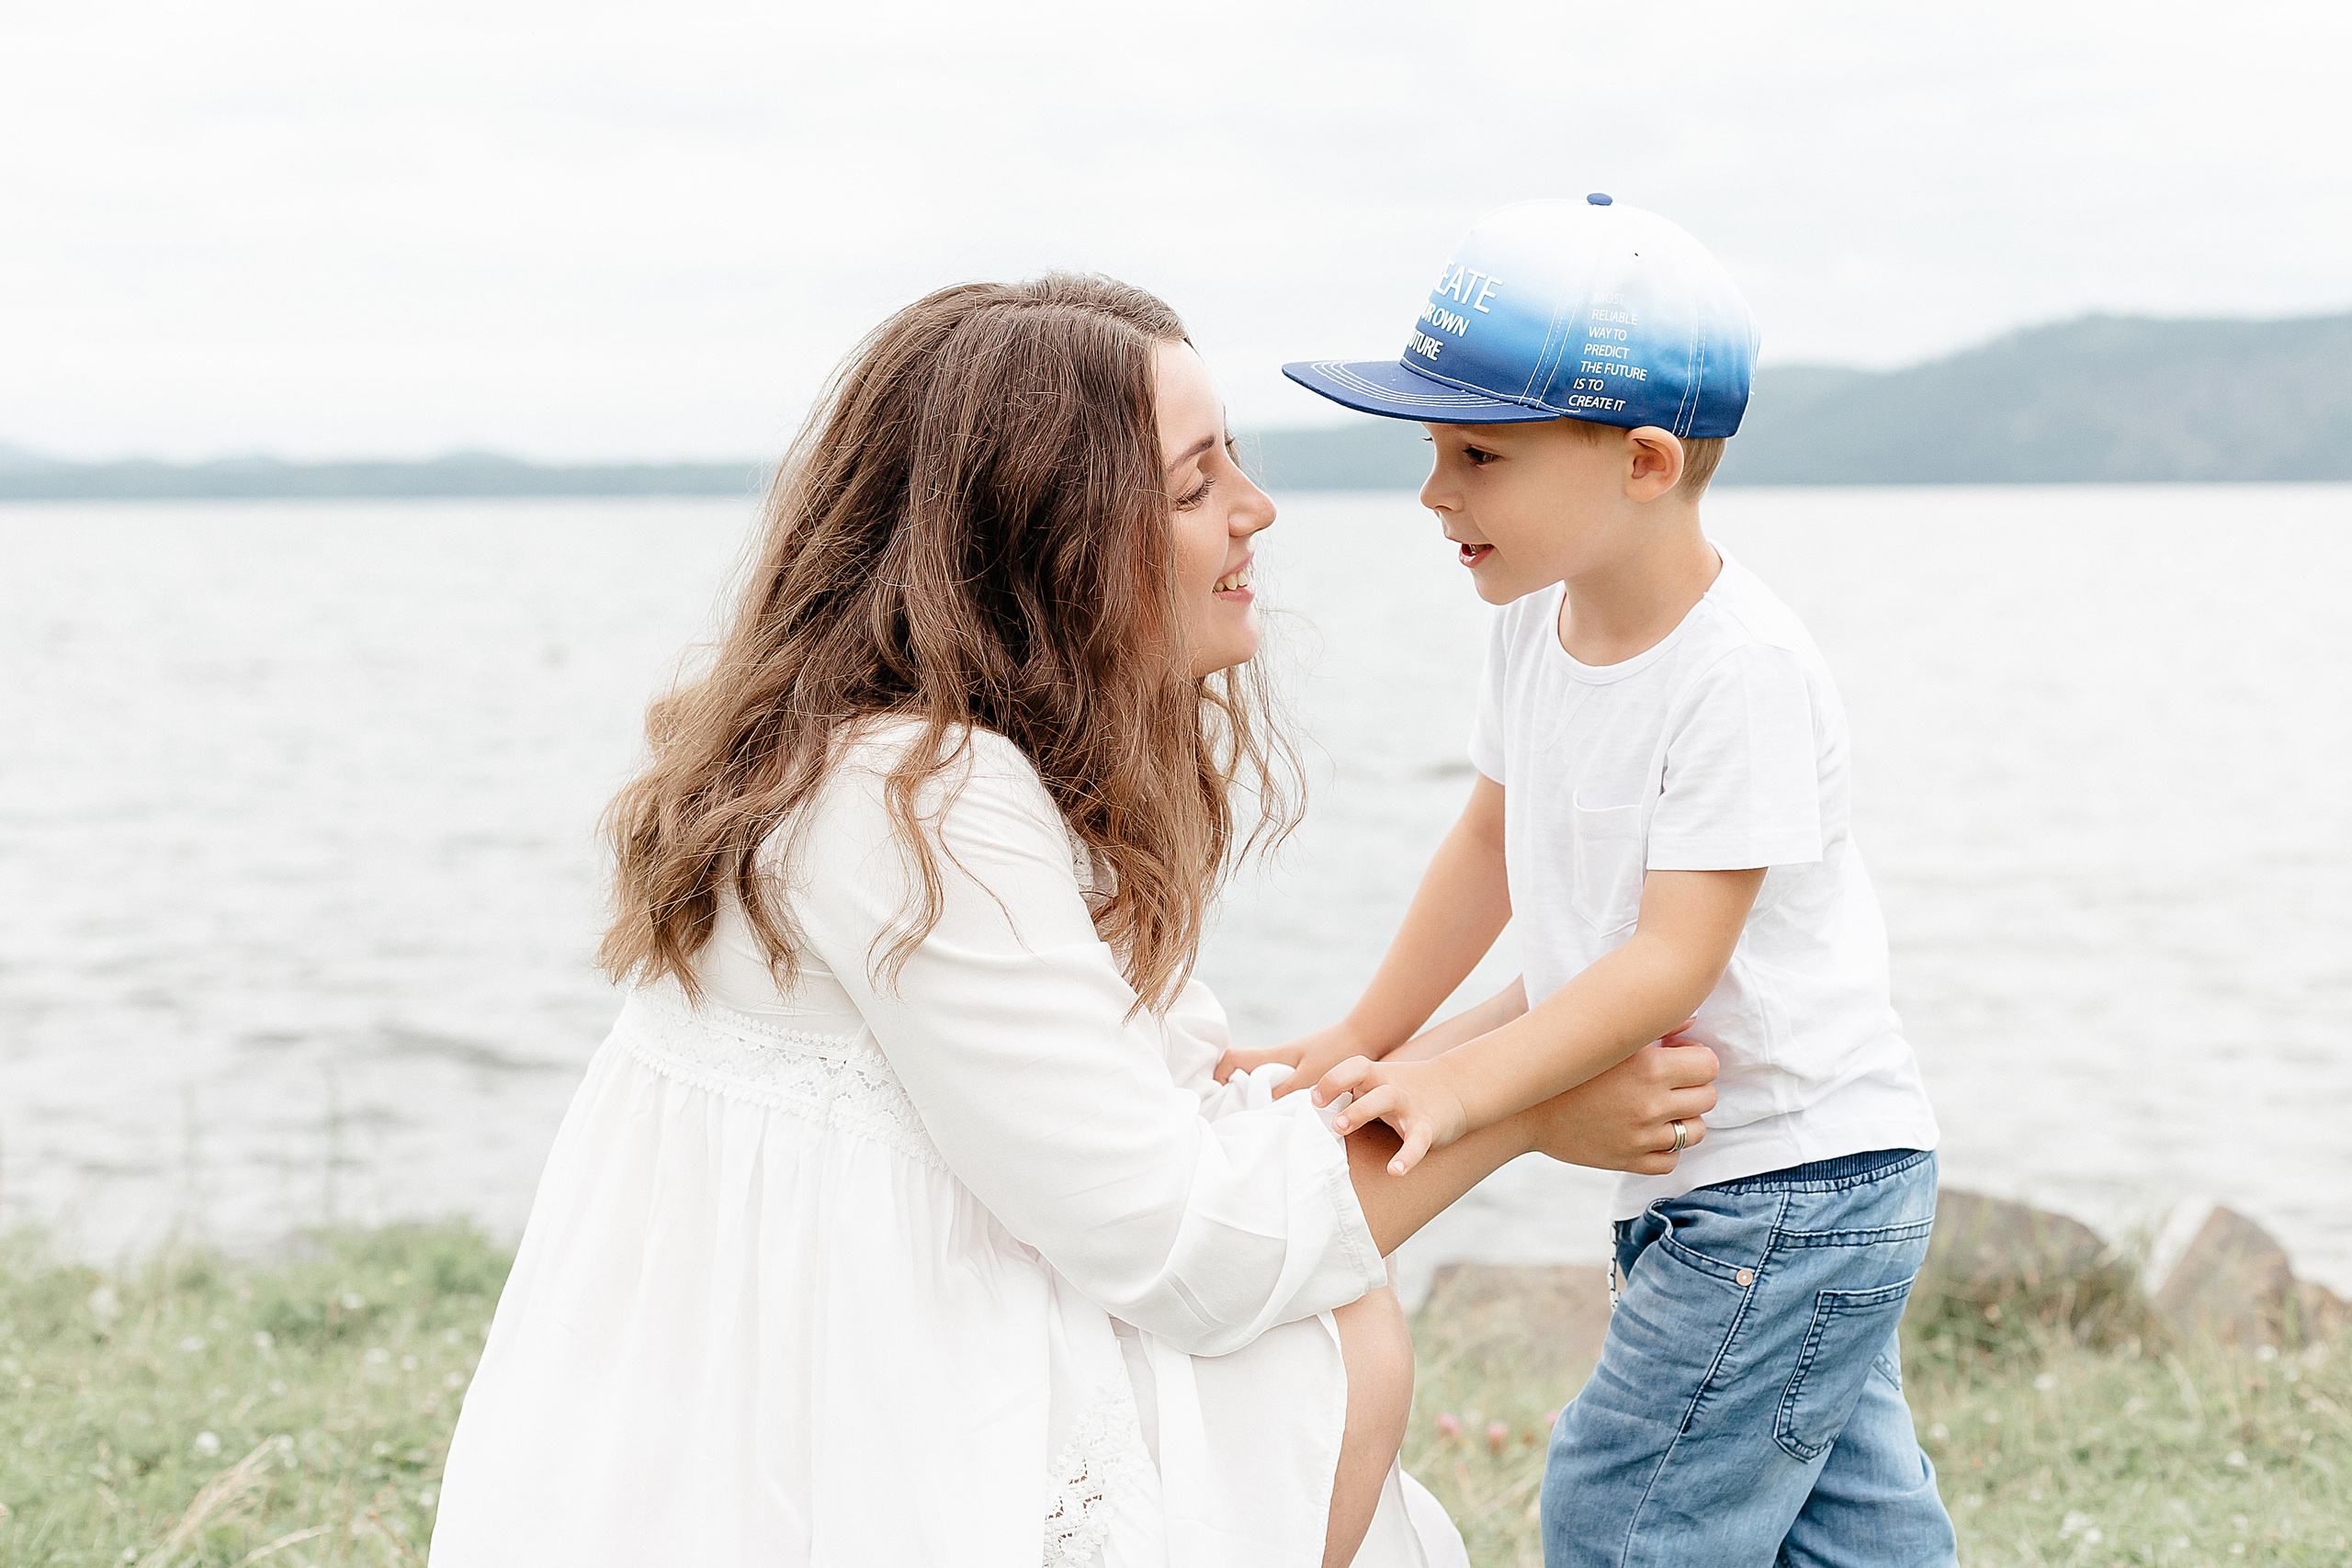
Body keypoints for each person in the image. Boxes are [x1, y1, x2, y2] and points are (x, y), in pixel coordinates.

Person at [426, 273, 1723, 1568]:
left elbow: (1148, 1116)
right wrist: (1526, 1114)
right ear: (1043, 540)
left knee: (1327, 1323)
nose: (1256, 512)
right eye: (1192, 485)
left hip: (842, 1356)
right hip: (833, 1433)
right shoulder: (912, 801)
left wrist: (1523, 1025)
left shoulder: (926, 758)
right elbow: (1176, 1235)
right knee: (1306, 1345)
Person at [1252, 198, 1958, 1566]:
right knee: (1850, 1534)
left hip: (1787, 1180)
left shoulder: (1736, 667)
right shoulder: (1535, 624)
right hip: (1776, 1180)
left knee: (1624, 1509)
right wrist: (1365, 1039)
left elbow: (1668, 960)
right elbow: (1485, 853)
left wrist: (1463, 1089)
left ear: (1641, 460)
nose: (1434, 491)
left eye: (1479, 454)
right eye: (1430, 450)